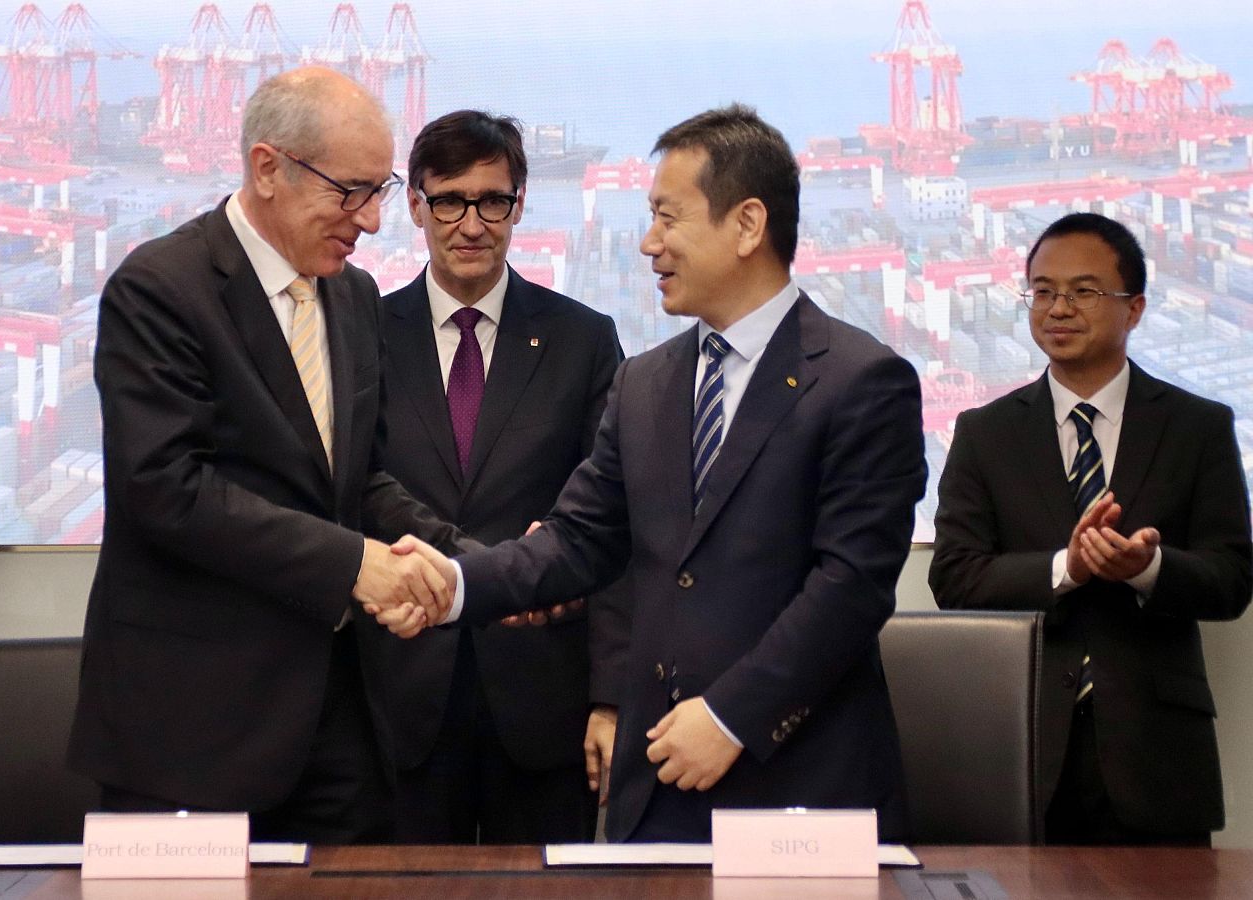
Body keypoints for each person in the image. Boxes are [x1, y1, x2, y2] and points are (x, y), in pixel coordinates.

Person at [395, 103, 925, 843]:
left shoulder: (862, 381)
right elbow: (578, 540)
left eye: (667, 218)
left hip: (798, 787)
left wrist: (732, 716)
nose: (648, 243)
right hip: (658, 786)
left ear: (747, 224)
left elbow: (851, 586)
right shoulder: (646, 381)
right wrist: (453, 584)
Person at [65, 67, 471, 844]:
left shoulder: (352, 297)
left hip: (338, 726)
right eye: (351, 191)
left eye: (381, 191)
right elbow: (168, 490)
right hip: (191, 729)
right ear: (267, 168)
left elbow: (356, 481)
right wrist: (355, 565)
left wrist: (474, 564)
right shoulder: (161, 288)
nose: (373, 220)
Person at [929, 212, 1251, 846]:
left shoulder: (1198, 427)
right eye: (1042, 291)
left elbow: (1233, 579)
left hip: (1158, 758)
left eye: (1083, 291)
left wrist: (1148, 568)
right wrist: (1067, 568)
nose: (1058, 308)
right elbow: (954, 578)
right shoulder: (984, 433)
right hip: (1021, 743)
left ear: (1134, 309)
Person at [360, 109, 630, 844]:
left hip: (545, 703)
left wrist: (610, 696)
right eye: (450, 201)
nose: (472, 224)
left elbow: (618, 526)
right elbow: (350, 490)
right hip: (398, 700)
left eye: (492, 201)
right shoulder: (363, 336)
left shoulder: (584, 340)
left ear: (519, 204)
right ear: (415, 205)